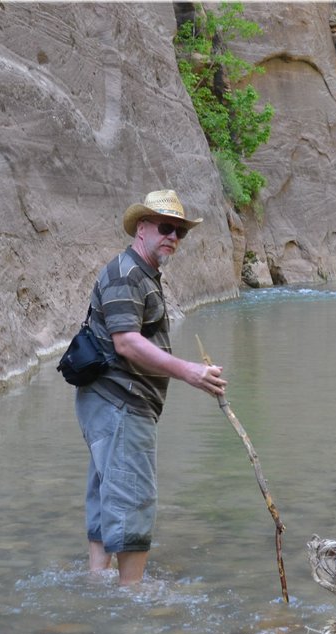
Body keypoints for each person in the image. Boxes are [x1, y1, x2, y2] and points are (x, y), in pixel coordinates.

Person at [74, 189, 228, 586]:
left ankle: (97, 582)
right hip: (121, 403)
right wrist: (189, 372)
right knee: (133, 495)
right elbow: (126, 341)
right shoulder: (127, 274)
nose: (173, 237)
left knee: (107, 489)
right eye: (165, 228)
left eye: (180, 231)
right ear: (142, 228)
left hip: (109, 402)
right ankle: (132, 598)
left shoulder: (140, 274)